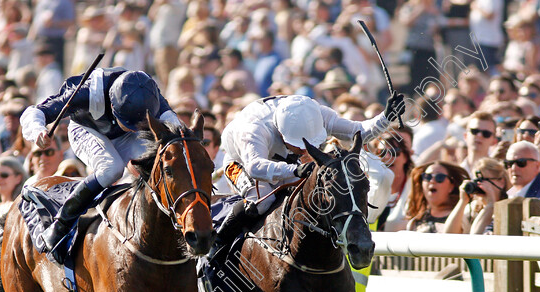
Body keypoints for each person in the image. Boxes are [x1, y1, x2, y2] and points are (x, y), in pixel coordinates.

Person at [207, 92, 405, 258]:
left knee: (306, 199)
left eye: (308, 144)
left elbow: (357, 132)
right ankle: (217, 248)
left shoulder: (315, 114)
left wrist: (386, 117)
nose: (304, 151)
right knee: (262, 202)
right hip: (241, 161)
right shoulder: (254, 129)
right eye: (299, 145)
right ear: (282, 133)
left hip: (284, 161)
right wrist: (294, 170)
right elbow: (255, 167)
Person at [20, 68, 181, 252]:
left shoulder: (151, 95)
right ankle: (60, 225)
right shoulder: (85, 92)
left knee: (157, 162)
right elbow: (36, 111)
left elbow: (177, 132)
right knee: (111, 169)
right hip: (86, 129)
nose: (133, 128)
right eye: (129, 123)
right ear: (113, 106)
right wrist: (38, 131)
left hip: (124, 135)